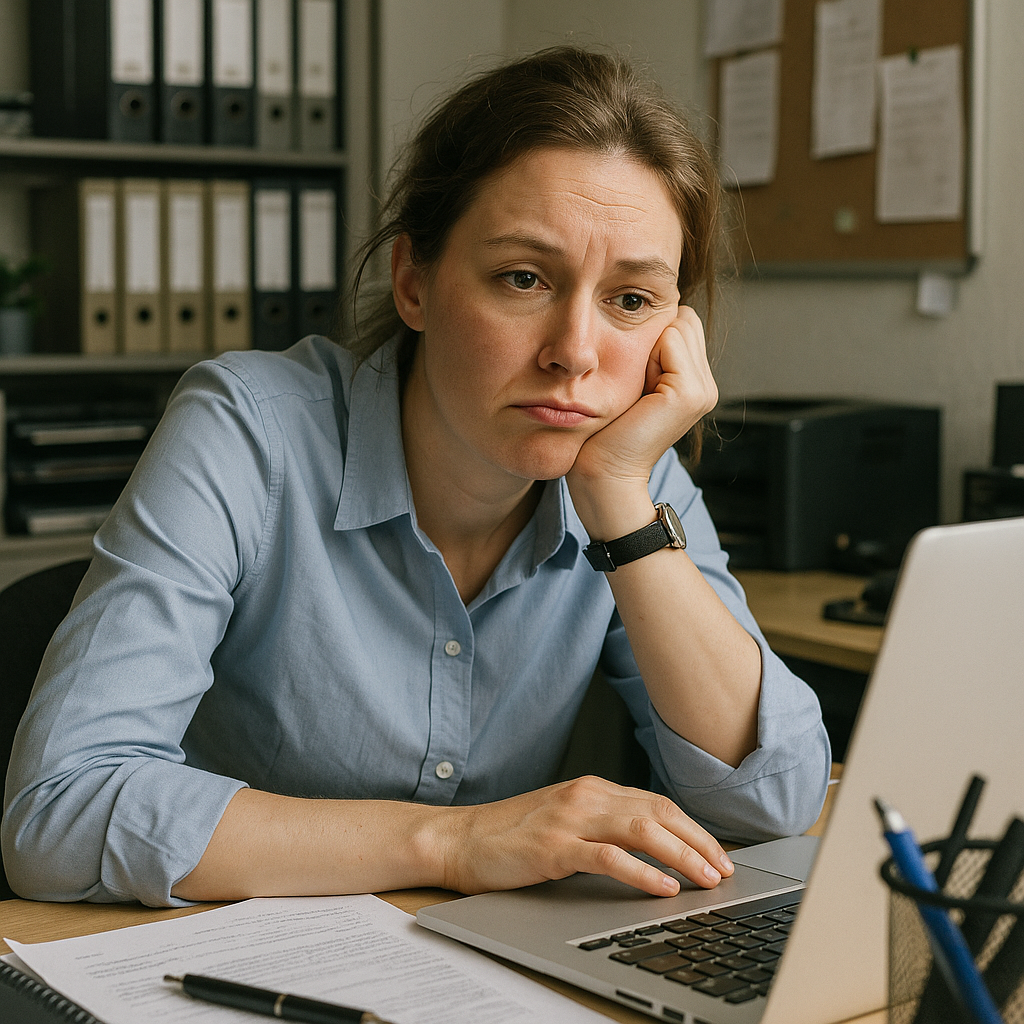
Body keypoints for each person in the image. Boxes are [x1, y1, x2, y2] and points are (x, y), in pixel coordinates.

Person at [2, 47, 830, 908]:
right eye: (523, 278)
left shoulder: (626, 472)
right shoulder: (248, 430)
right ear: (414, 282)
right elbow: (59, 813)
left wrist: (622, 502)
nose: (575, 354)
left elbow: (776, 799)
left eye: (630, 300)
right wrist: (456, 842)